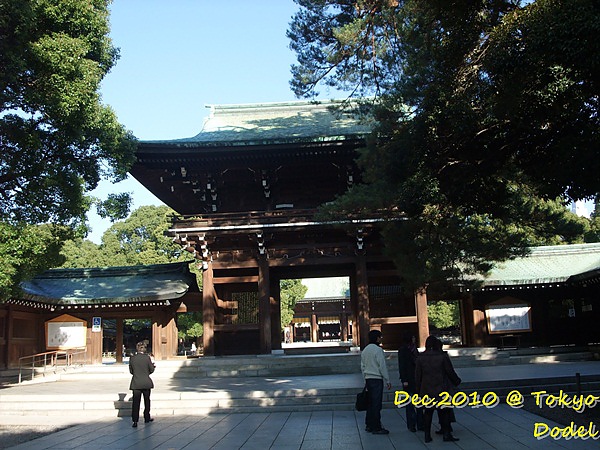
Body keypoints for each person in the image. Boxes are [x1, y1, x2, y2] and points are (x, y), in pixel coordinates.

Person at [415, 336, 461, 443]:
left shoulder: (421, 357)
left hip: (426, 388)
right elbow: (450, 371)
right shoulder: (442, 356)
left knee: (428, 412)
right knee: (444, 412)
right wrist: (456, 381)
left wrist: (418, 390)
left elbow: (417, 375)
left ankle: (427, 435)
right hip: (441, 387)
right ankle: (446, 434)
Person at [360, 329, 392, 434]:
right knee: (376, 404)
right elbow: (382, 366)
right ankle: (376, 427)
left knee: (370, 403)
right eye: (380, 337)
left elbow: (362, 366)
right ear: (377, 338)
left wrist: (365, 379)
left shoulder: (365, 350)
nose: (381, 339)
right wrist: (387, 379)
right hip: (377, 379)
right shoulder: (378, 350)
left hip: (368, 379)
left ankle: (369, 425)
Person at [398, 332, 423, 432]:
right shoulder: (403, 350)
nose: (414, 339)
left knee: (419, 402)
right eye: (413, 337)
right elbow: (402, 366)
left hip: (417, 378)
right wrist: (404, 379)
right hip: (408, 378)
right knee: (409, 403)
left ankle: (420, 423)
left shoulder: (415, 349)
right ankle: (411, 424)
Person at [129, 341, 155, 428]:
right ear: (144, 349)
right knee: (147, 400)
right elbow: (151, 369)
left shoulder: (132, 358)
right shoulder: (147, 358)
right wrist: (152, 368)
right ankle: (147, 417)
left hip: (136, 382)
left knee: (136, 402)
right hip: (146, 382)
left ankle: (135, 420)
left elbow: (131, 371)